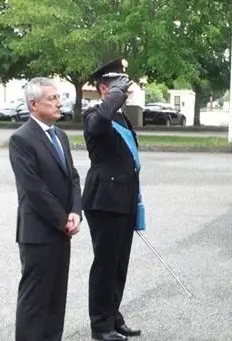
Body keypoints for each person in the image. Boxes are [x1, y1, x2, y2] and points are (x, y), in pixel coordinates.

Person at [8, 77, 82, 341]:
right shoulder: (21, 140)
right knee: (35, 302)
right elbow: (34, 189)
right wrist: (62, 219)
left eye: (58, 97)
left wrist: (75, 211)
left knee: (55, 300)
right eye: (52, 98)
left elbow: (72, 177)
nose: (58, 103)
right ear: (33, 104)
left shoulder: (60, 135)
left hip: (63, 230)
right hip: (38, 234)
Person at [82, 57, 142, 341]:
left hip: (123, 200)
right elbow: (98, 125)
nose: (124, 92)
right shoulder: (95, 114)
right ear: (104, 89)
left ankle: (113, 316)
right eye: (117, 87)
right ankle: (100, 326)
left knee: (119, 264)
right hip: (104, 201)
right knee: (105, 265)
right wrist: (115, 95)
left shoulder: (120, 116)